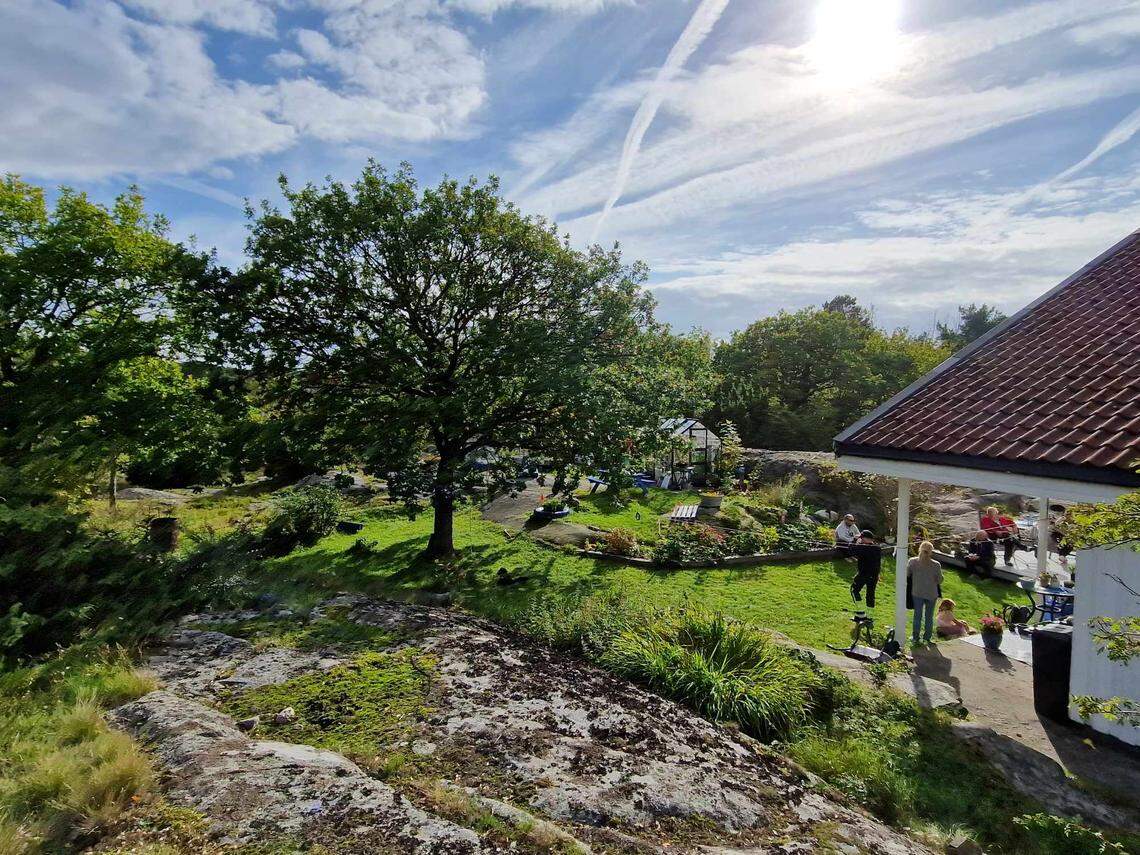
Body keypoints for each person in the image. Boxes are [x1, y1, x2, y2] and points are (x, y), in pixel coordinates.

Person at [907, 541, 943, 646]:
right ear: (931, 551)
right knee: (929, 616)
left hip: (917, 592)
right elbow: (940, 580)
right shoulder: (936, 564)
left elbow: (908, 574)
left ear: (919, 549)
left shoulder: (912, 562)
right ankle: (927, 637)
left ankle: (915, 637)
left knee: (917, 615)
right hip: (932, 593)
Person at [849, 530, 882, 608]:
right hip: (874, 575)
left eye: (862, 538)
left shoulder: (863, 547)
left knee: (854, 590)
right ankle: (870, 615)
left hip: (864, 574)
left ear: (866, 538)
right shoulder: (877, 548)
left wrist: (854, 540)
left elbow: (850, 550)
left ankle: (860, 611)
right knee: (870, 595)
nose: (861, 540)